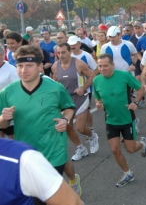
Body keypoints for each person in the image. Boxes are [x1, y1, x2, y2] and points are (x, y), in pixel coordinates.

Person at [0, 45, 82, 198]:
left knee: (47, 197)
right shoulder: (6, 92)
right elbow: (3, 126)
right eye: (20, 66)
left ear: (39, 66)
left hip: (53, 151)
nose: (24, 70)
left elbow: (69, 107)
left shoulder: (55, 88)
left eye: (29, 65)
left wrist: (65, 119)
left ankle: (71, 185)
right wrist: (3, 118)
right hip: (26, 154)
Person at [93, 54, 146, 187]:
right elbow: (97, 98)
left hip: (127, 119)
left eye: (105, 65)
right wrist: (98, 104)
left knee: (130, 149)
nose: (102, 69)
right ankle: (127, 173)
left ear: (112, 65)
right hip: (110, 120)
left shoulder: (124, 76)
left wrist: (136, 102)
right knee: (115, 150)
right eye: (100, 66)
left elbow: (140, 88)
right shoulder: (96, 80)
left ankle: (142, 144)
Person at [0, 138, 83, 205]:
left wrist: (65, 120)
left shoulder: (22, 159)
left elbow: (71, 202)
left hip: (50, 144)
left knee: (63, 165)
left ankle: (73, 179)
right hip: (25, 139)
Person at [52, 42, 99, 160]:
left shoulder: (78, 64)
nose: (61, 55)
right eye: (59, 53)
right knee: (67, 127)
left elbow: (92, 76)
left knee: (81, 128)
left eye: (64, 52)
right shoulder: (55, 66)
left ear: (69, 52)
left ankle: (92, 136)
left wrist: (83, 88)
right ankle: (81, 148)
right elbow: (55, 83)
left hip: (80, 98)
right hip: (66, 101)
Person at [0, 44, 19, 138]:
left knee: (14, 141)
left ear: (1, 54)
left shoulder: (12, 70)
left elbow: (18, 92)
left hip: (8, 113)